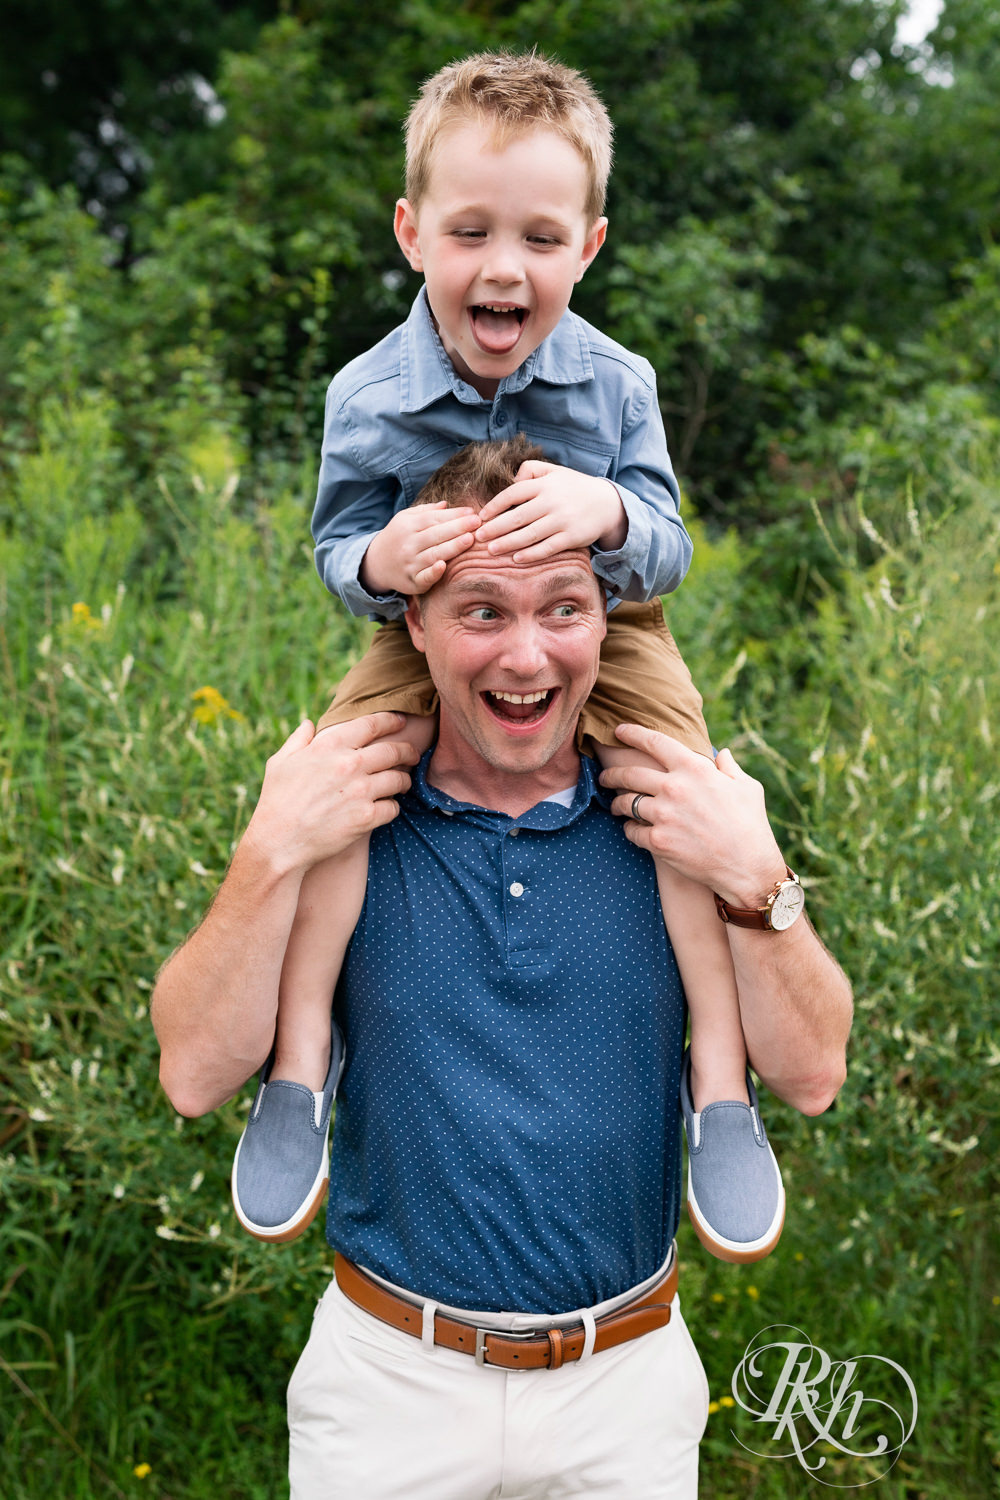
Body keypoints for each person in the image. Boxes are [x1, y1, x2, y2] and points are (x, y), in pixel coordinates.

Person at [152, 439, 852, 1500]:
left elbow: (812, 1075)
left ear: (607, 622)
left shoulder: (671, 814)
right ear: (416, 625)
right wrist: (265, 854)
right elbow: (194, 1076)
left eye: (563, 609)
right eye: (483, 612)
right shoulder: (350, 810)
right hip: (384, 1391)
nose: (527, 658)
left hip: (625, 1396)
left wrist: (759, 878)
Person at [230, 48, 785, 1263]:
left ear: (585, 247)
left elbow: (670, 546)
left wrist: (610, 519)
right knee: (345, 779)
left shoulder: (618, 383)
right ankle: (297, 1067)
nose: (502, 267)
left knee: (676, 784)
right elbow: (334, 548)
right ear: (411, 231)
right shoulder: (367, 396)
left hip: (612, 626)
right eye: (469, 230)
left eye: (539, 238)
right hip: (425, 619)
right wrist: (384, 560)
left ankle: (723, 1091)